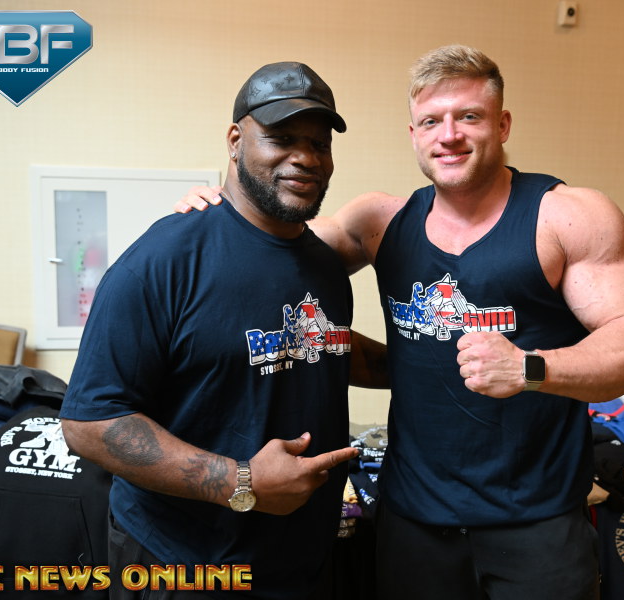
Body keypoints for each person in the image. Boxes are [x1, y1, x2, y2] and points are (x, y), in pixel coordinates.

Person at [176, 45, 624, 599]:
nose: (448, 135)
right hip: (413, 521)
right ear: (413, 134)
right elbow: (270, 252)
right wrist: (221, 208)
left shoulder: (566, 216)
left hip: (537, 522)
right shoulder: (380, 222)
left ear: (502, 125)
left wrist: (530, 369)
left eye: (469, 116)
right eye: (431, 121)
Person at [60, 61, 387, 600]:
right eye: (282, 138)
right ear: (236, 141)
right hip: (182, 563)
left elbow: (317, 345)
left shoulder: (324, 265)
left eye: (318, 143)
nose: (305, 157)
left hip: (300, 564)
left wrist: (430, 359)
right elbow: (90, 423)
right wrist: (241, 483)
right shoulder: (164, 260)